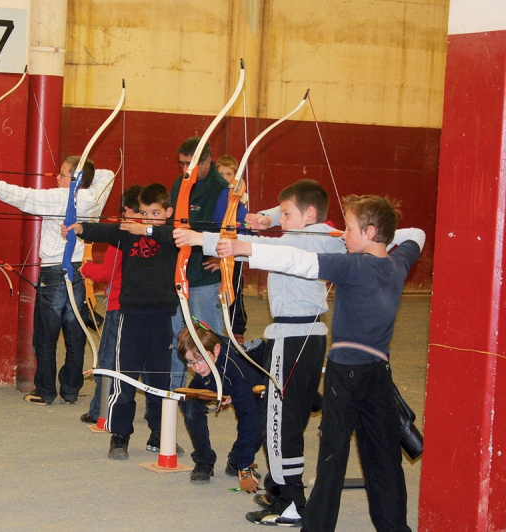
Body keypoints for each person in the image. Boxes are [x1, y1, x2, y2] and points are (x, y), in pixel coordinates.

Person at [216, 195, 424, 531]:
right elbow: (417, 235)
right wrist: (387, 239)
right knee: (385, 459)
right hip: (379, 374)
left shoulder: (352, 265)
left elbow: (298, 261)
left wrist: (245, 247)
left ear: (370, 232)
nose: (342, 235)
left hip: (346, 374)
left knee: (332, 460)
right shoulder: (397, 264)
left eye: (351, 229)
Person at [175, 179, 346, 525]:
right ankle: (286, 495)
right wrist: (270, 216)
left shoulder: (306, 242)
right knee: (286, 420)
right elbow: (276, 228)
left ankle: (289, 502)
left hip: (292, 337)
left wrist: (201, 239)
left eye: (286, 213)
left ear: (309, 214)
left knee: (279, 423)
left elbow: (258, 245)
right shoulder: (321, 236)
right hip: (305, 337)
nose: (280, 218)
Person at [0, 157, 114, 405]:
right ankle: (71, 390)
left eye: (62, 174)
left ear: (75, 181)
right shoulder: (96, 195)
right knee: (75, 335)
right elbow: (106, 173)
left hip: (54, 271)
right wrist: (80, 178)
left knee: (45, 336)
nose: (57, 178)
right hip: (77, 271)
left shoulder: (57, 197)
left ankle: (45, 391)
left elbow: (19, 195)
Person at [65, 184, 178, 459]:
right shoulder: (129, 233)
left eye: (155, 213)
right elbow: (106, 230)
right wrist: (79, 229)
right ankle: (120, 434)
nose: (149, 218)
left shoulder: (173, 236)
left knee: (159, 378)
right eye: (144, 213)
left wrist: (148, 229)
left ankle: (160, 433)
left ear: (169, 212)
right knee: (124, 376)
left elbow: (181, 236)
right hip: (130, 314)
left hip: (162, 316)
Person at [169, 137, 230, 390]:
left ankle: (220, 388)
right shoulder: (180, 184)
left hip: (204, 279)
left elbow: (237, 231)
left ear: (207, 161)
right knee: (177, 338)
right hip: (180, 276)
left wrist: (224, 257)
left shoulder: (221, 189)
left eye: (190, 164)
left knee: (208, 339)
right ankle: (175, 393)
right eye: (182, 164)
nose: (185, 170)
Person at [80, 185, 141, 425]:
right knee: (144, 360)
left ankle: (100, 411)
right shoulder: (156, 233)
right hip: (146, 309)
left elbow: (106, 273)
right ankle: (155, 413)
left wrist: (85, 267)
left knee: (108, 359)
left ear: (126, 210)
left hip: (118, 306)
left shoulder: (120, 234)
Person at [178, 322, 261, 489]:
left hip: (254, 386)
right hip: (218, 377)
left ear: (215, 350)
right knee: (189, 405)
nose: (196, 368)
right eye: (190, 362)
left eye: (199, 360)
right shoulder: (204, 360)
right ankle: (204, 459)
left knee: (258, 423)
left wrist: (244, 469)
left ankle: (237, 462)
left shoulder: (237, 374)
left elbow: (247, 420)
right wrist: (218, 391)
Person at [213, 154, 249, 343]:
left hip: (234, 251)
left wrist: (239, 224)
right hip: (216, 247)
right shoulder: (216, 194)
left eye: (229, 174)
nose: (225, 178)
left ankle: (237, 328)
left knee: (235, 287)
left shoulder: (238, 196)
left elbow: (245, 221)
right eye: (221, 174)